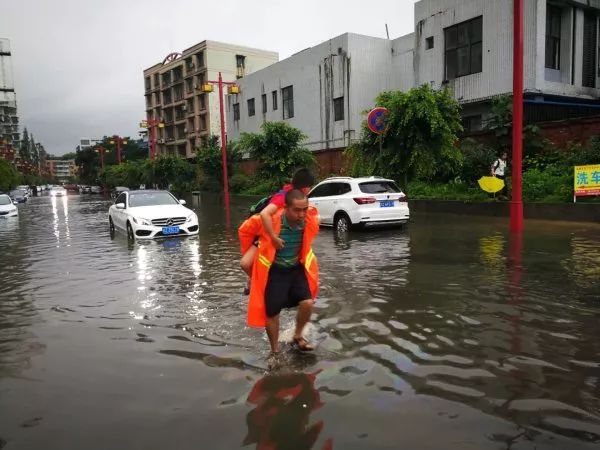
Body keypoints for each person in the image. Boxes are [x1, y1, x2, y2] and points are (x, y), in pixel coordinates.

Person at [238, 189, 320, 354]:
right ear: (286, 208)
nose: (302, 214)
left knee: (308, 303)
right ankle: (275, 351)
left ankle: (298, 337)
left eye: (304, 209)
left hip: (296, 269)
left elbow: (313, 224)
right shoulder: (272, 222)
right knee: (272, 313)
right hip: (276, 270)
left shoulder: (308, 220)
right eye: (297, 210)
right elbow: (245, 230)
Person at [240, 168, 315, 292]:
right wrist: (273, 237)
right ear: (306, 188)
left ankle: (260, 283)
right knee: (245, 264)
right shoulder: (284, 196)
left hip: (276, 238)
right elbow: (264, 214)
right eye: (310, 187)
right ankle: (255, 281)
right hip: (265, 234)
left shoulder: (296, 197)